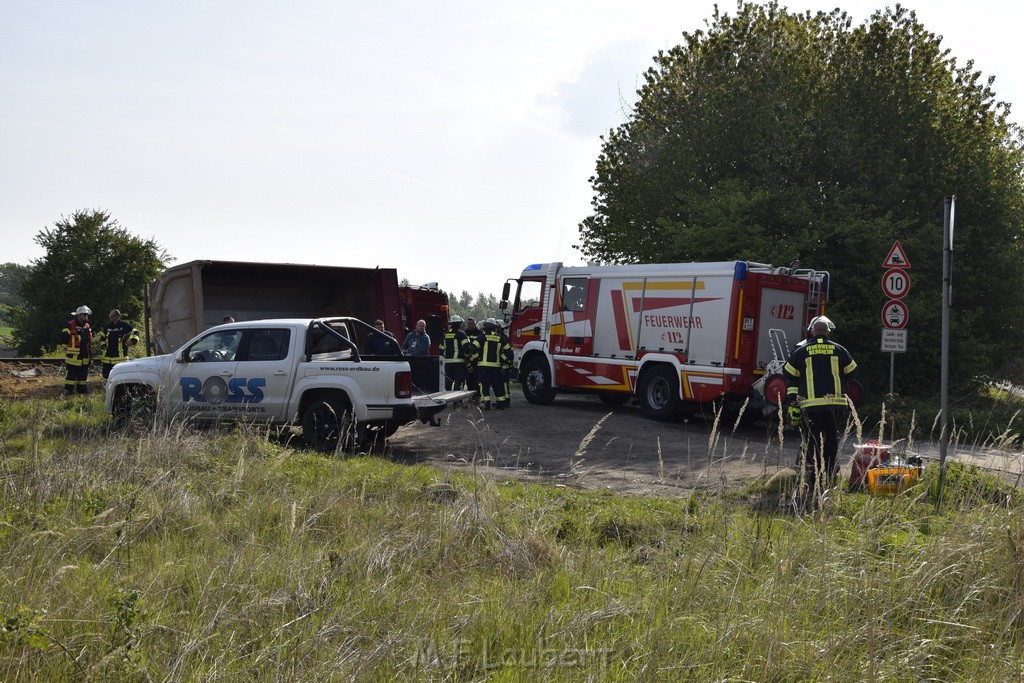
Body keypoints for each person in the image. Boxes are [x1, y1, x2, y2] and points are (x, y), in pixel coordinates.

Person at [782, 315, 858, 499]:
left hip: (811, 406)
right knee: (832, 438)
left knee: (813, 440)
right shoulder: (839, 350)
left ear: (812, 332)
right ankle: (830, 474)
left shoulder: (802, 351)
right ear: (828, 332)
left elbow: (788, 373)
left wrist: (793, 399)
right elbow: (853, 372)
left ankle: (814, 475)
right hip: (835, 405)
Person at [474, 318, 514, 410]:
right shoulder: (501, 338)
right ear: (495, 328)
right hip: (496, 367)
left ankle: (486, 404)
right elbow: (509, 354)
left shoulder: (481, 337)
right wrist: (506, 362)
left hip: (483, 366)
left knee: (484, 385)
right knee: (498, 385)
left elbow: (472, 348)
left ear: (485, 327)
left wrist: (477, 359)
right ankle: (500, 405)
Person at [96, 309, 140, 379]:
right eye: (110, 316)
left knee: (121, 378)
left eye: (112, 316)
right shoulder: (107, 326)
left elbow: (136, 332)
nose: (111, 317)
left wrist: (133, 341)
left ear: (118, 316)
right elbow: (102, 338)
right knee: (107, 378)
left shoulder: (124, 325)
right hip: (107, 359)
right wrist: (103, 346)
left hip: (120, 359)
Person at [60, 305, 94, 395]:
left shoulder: (87, 326)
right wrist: (68, 349)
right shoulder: (70, 325)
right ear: (78, 315)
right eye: (84, 315)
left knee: (83, 375)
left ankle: (82, 389)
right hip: (73, 357)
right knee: (71, 374)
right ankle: (68, 390)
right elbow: (63, 338)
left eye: (87, 315)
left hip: (85, 355)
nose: (86, 317)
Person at [441, 315, 474, 390]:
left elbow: (441, 349)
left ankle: (447, 399)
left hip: (447, 363)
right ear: (459, 324)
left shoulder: (445, 334)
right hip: (459, 363)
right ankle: (457, 401)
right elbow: (466, 349)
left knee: (448, 383)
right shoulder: (462, 335)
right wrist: (467, 358)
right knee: (458, 383)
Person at [463, 316, 486, 392]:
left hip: (477, 360)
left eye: (471, 323)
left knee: (477, 379)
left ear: (475, 324)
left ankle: (477, 396)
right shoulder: (464, 333)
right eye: (468, 323)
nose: (469, 325)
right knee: (468, 379)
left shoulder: (480, 333)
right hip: (467, 360)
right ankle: (470, 396)